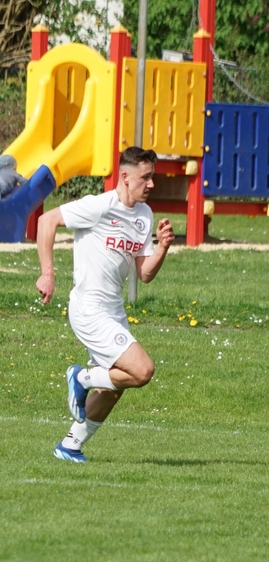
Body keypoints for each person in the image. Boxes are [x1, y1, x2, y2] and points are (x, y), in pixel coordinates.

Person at [35, 146, 175, 462]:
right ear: (125, 177)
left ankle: (70, 446)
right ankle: (81, 378)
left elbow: (144, 274)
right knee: (142, 370)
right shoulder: (99, 206)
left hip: (113, 311)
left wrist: (162, 248)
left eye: (152, 177)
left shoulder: (144, 215)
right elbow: (46, 220)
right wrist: (47, 274)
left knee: (114, 387)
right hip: (89, 309)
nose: (151, 184)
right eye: (145, 177)